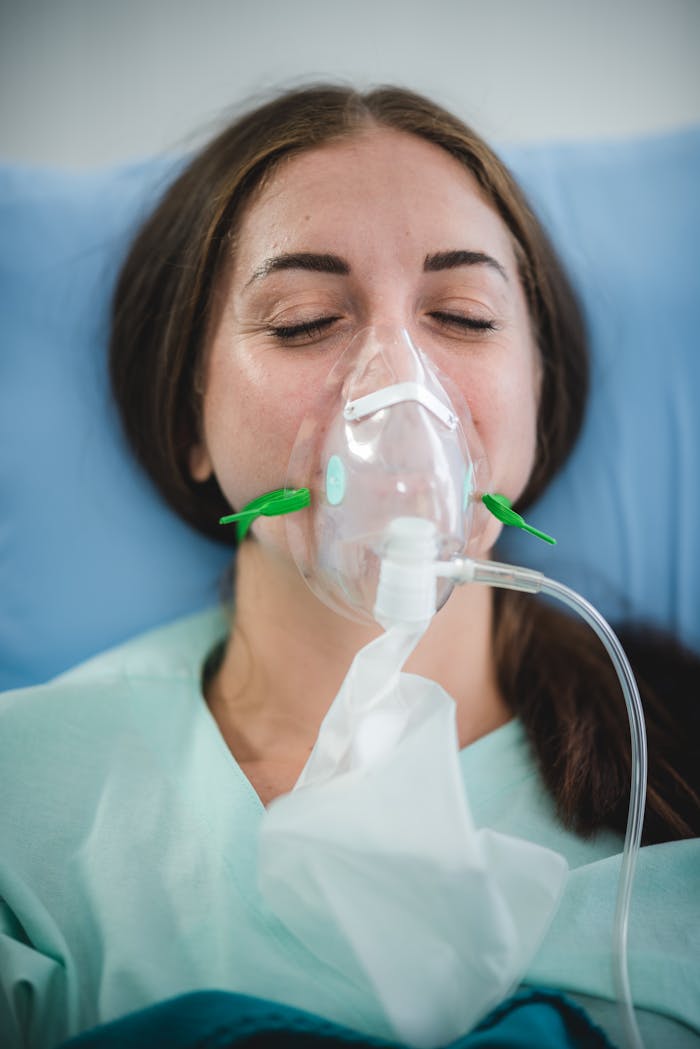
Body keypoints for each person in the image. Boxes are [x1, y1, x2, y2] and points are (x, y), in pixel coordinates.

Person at [1, 85, 698, 1049]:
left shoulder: (674, 771)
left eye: (461, 313)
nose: (397, 381)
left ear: (541, 389)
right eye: (301, 321)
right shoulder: (21, 798)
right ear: (187, 410)